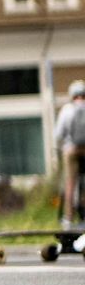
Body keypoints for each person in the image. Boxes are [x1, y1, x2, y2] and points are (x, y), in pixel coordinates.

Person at [54, 80, 85, 225]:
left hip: (71, 150)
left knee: (70, 183)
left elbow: (59, 134)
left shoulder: (67, 109)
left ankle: (68, 217)